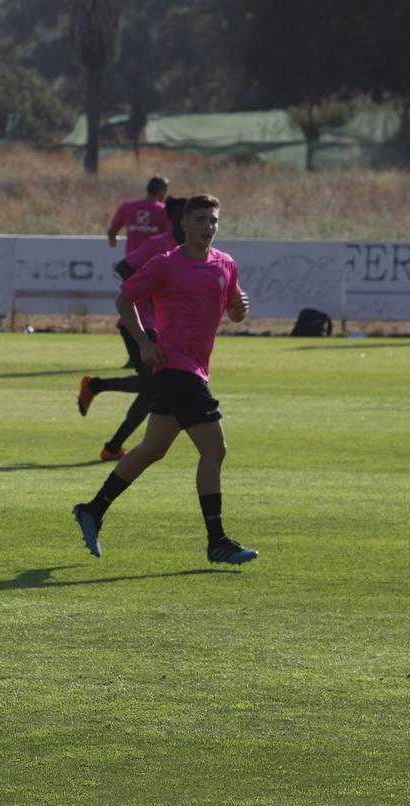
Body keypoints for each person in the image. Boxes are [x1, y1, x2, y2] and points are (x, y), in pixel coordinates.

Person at [72, 194, 259, 566]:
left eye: (214, 221)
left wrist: (239, 309)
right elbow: (124, 300)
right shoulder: (166, 264)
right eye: (201, 220)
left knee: (152, 449)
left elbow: (233, 313)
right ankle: (217, 540)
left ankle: (93, 509)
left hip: (192, 368)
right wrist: (143, 343)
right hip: (176, 368)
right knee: (215, 449)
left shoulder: (226, 265)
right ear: (184, 225)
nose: (208, 227)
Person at [78, 197, 187, 461]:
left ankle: (112, 442)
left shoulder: (188, 251)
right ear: (177, 219)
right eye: (190, 216)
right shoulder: (159, 244)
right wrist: (146, 288)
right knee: (153, 387)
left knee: (151, 388)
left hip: (161, 327)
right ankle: (112, 440)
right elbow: (125, 266)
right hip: (137, 322)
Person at [108, 175, 170, 255]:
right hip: (154, 263)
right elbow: (172, 237)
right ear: (162, 192)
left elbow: (112, 232)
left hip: (131, 263)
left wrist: (113, 241)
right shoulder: (164, 210)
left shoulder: (128, 207)